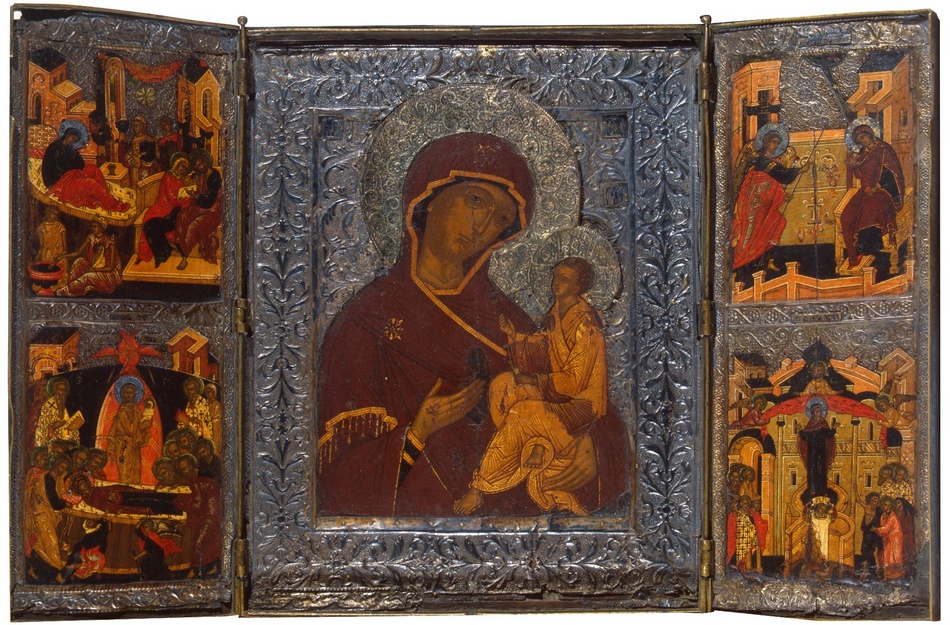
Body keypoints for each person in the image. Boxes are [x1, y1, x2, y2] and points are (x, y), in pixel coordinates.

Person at [318, 132, 628, 517]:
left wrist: (595, 449)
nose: (483, 225)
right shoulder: (364, 322)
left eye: (501, 218)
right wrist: (417, 433)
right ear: (428, 197)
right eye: (475, 200)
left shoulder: (508, 321)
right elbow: (333, 485)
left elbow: (585, 395)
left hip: (516, 536)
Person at [454, 258, 607, 515]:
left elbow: (575, 381)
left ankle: (480, 487)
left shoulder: (586, 326)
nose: (556, 284)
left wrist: (535, 380)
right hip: (556, 394)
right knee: (504, 387)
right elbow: (544, 346)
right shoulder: (557, 314)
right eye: (556, 277)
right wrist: (514, 336)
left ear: (578, 286)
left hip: (578, 405)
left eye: (564, 280)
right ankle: (539, 443)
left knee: (521, 412)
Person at [730, 124, 809, 277]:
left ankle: (767, 260)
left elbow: (773, 183)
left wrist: (782, 196)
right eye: (773, 142)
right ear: (766, 142)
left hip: (765, 205)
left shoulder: (771, 162)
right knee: (749, 235)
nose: (775, 146)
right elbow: (781, 175)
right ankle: (740, 265)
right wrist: (800, 170)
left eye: (777, 143)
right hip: (753, 204)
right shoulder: (762, 162)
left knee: (778, 223)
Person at [840, 124, 905, 269]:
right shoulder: (863, 153)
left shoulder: (883, 150)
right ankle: (854, 256)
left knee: (869, 210)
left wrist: (876, 187)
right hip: (866, 191)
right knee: (847, 216)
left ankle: (868, 250)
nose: (862, 141)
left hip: (885, 191)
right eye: (859, 140)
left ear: (870, 134)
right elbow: (859, 175)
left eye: (863, 137)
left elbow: (892, 174)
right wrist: (853, 165)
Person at [42, 125, 129, 213]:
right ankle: (115, 205)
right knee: (90, 183)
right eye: (73, 138)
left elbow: (81, 165)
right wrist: (73, 169)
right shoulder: (54, 148)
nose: (73, 141)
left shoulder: (70, 148)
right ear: (67, 135)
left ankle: (105, 196)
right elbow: (57, 168)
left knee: (93, 169)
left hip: (71, 175)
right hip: (60, 182)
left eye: (75, 140)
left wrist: (75, 155)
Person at [138, 153, 192, 266]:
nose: (182, 169)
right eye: (182, 166)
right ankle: (163, 252)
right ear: (176, 165)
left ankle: (162, 254)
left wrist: (187, 196)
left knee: (151, 226)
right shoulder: (168, 176)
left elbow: (180, 198)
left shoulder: (181, 180)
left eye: (185, 168)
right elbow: (173, 199)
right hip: (163, 209)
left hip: (174, 211)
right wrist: (186, 198)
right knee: (149, 225)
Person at [175, 149, 222, 269]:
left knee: (194, 226)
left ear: (206, 162)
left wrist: (195, 194)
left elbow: (208, 201)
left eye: (200, 164)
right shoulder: (201, 175)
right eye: (197, 166)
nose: (199, 168)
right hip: (201, 207)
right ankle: (180, 244)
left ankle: (184, 255)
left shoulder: (215, 177)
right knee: (182, 216)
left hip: (213, 210)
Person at [55, 217, 123, 296]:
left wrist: (94, 270)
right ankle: (72, 287)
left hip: (107, 274)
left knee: (87, 276)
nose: (92, 228)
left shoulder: (109, 243)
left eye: (95, 226)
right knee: (78, 262)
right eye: (92, 226)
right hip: (93, 266)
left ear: (101, 227)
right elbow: (78, 252)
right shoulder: (91, 238)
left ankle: (67, 290)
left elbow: (110, 267)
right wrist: (63, 256)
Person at [105, 382, 150, 484]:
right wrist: (145, 424)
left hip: (134, 447)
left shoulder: (136, 410)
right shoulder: (123, 412)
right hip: (124, 446)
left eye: (131, 392)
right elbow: (131, 430)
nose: (128, 395)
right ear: (122, 394)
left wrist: (146, 423)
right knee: (125, 476)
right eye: (126, 392)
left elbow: (139, 428)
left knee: (135, 475)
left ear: (135, 394)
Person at [797, 397, 836, 505]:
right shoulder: (810, 424)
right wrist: (801, 431)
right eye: (815, 411)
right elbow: (805, 437)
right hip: (812, 452)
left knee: (821, 470)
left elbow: (828, 434)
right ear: (812, 412)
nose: (817, 413)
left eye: (819, 411)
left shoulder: (823, 423)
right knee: (812, 471)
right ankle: (812, 490)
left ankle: (823, 490)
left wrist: (833, 429)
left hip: (821, 451)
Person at [35, 377, 78, 448]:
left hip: (64, 438)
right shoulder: (48, 405)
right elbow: (43, 426)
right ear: (55, 390)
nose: (63, 393)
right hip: (53, 440)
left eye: (64, 390)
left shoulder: (62, 405)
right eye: (60, 390)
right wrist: (55, 426)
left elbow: (66, 421)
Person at [874, 496, 904, 579]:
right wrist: (879, 530)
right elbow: (883, 528)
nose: (884, 506)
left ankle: (898, 575)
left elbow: (887, 528)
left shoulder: (893, 517)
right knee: (887, 555)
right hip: (888, 538)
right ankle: (887, 576)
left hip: (896, 539)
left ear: (890, 506)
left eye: (886, 505)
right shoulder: (883, 515)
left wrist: (877, 529)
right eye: (884, 504)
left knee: (895, 556)